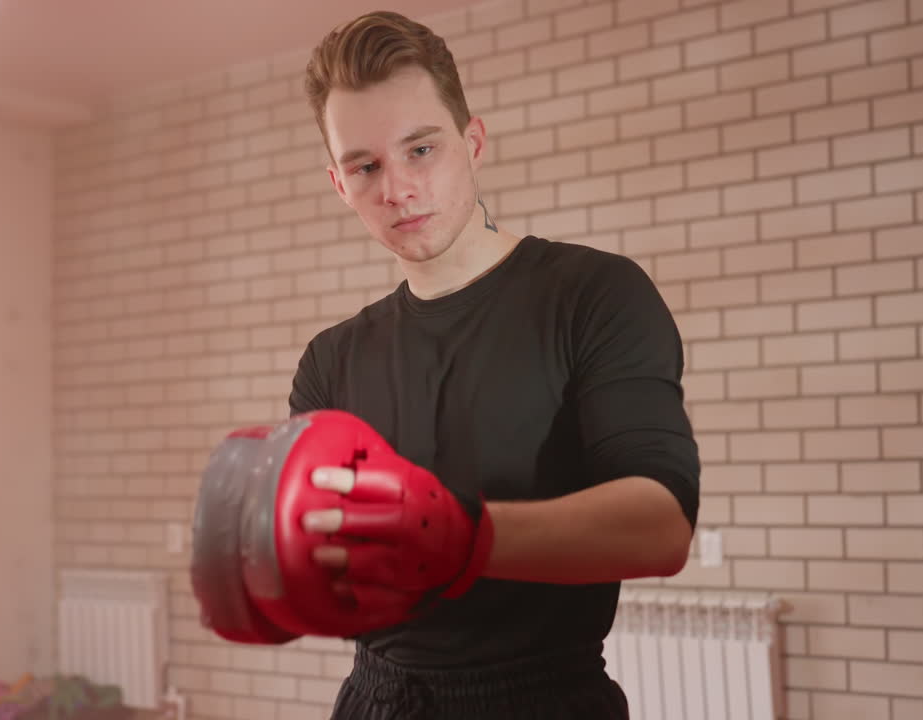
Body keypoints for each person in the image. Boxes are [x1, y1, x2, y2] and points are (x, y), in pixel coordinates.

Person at [281, 10, 701, 719]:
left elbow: (660, 526)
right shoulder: (329, 360)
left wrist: (457, 537)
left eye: (420, 149)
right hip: (375, 699)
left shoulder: (592, 294)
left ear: (472, 142)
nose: (397, 188)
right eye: (366, 166)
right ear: (338, 182)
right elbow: (330, 564)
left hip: (541, 698)